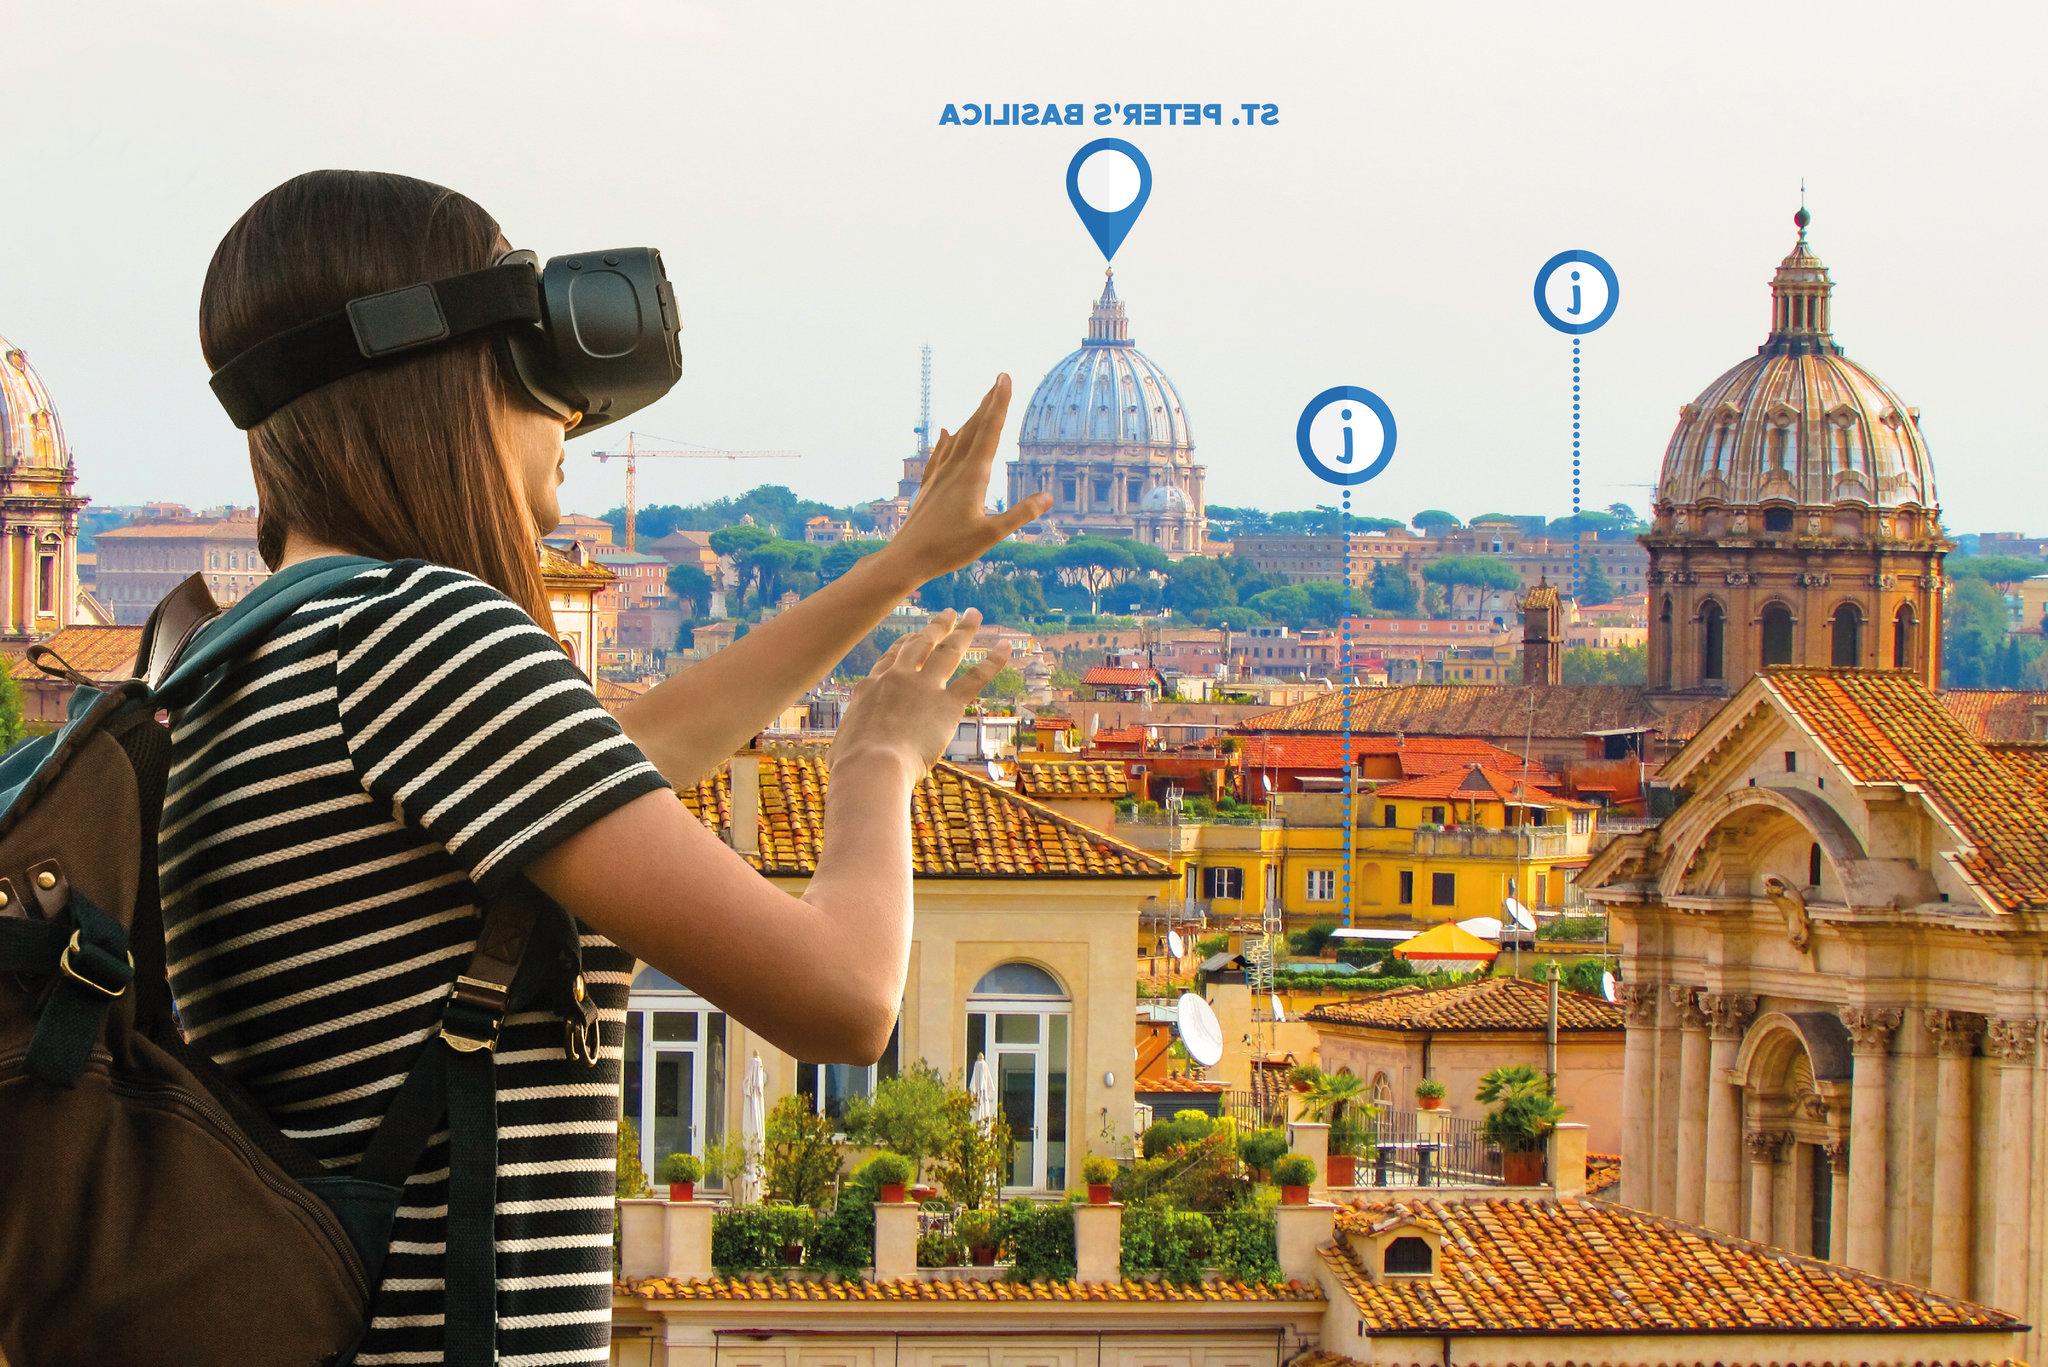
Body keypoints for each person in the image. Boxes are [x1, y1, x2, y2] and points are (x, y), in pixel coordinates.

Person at [172, 168, 1052, 1365]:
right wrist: (877, 763)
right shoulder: (422, 636)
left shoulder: (241, 652)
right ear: (435, 379)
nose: (572, 418)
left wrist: (893, 568)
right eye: (527, 364)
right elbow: (843, 1000)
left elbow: (627, 753)